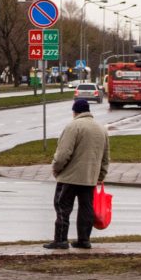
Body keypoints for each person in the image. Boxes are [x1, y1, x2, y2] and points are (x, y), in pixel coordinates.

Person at [47, 97, 110, 250]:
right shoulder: (101, 129)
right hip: (89, 178)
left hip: (69, 177)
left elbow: (63, 154)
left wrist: (56, 168)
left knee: (62, 207)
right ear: (88, 111)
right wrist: (100, 176)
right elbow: (105, 156)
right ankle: (84, 240)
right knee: (86, 208)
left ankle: (61, 240)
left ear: (75, 112)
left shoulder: (73, 127)